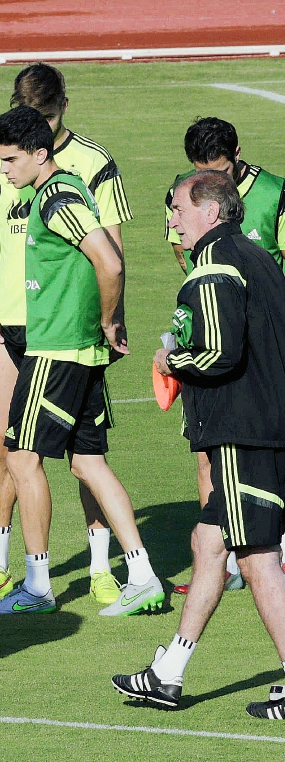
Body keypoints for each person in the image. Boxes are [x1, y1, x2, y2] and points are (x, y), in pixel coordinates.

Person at [0, 106, 164, 617]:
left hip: (58, 349)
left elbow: (109, 260)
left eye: (12, 160)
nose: (5, 169)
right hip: (80, 351)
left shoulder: (57, 196)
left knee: (21, 456)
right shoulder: (59, 190)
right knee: (87, 462)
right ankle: (143, 574)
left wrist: (107, 320)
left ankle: (38, 585)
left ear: (41, 154)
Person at [113, 171, 285, 715]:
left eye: (178, 210)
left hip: (241, 433)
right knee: (208, 543)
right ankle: (168, 673)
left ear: (210, 212)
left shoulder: (211, 270)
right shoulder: (262, 261)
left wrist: (170, 360)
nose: (171, 222)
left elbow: (217, 353)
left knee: (257, 557)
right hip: (268, 425)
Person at [163, 118, 285, 595]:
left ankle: (258, 555)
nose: (216, 175)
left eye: (220, 167)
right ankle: (228, 560)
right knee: (207, 451)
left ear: (237, 152)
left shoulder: (274, 193)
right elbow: (184, 254)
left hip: (263, 346)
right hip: (219, 327)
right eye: (202, 168)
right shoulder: (185, 196)